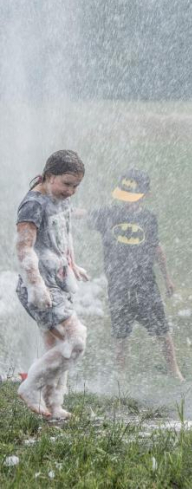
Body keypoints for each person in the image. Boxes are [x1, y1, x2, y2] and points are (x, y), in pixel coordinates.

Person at [87, 169, 184, 381]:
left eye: (131, 198)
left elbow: (157, 248)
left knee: (162, 329)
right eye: (124, 198)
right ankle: (121, 376)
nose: (126, 203)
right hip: (118, 285)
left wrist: (167, 278)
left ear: (144, 195)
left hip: (145, 283)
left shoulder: (149, 219)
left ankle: (175, 371)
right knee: (120, 334)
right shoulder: (109, 214)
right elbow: (83, 214)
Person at [15, 150, 89, 419]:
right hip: (39, 286)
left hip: (57, 281)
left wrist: (73, 264)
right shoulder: (33, 204)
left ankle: (54, 404)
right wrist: (36, 286)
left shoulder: (59, 199)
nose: (71, 191)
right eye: (67, 183)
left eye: (76, 186)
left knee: (55, 346)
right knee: (76, 340)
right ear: (49, 176)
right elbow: (24, 249)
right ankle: (30, 387)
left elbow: (63, 235)